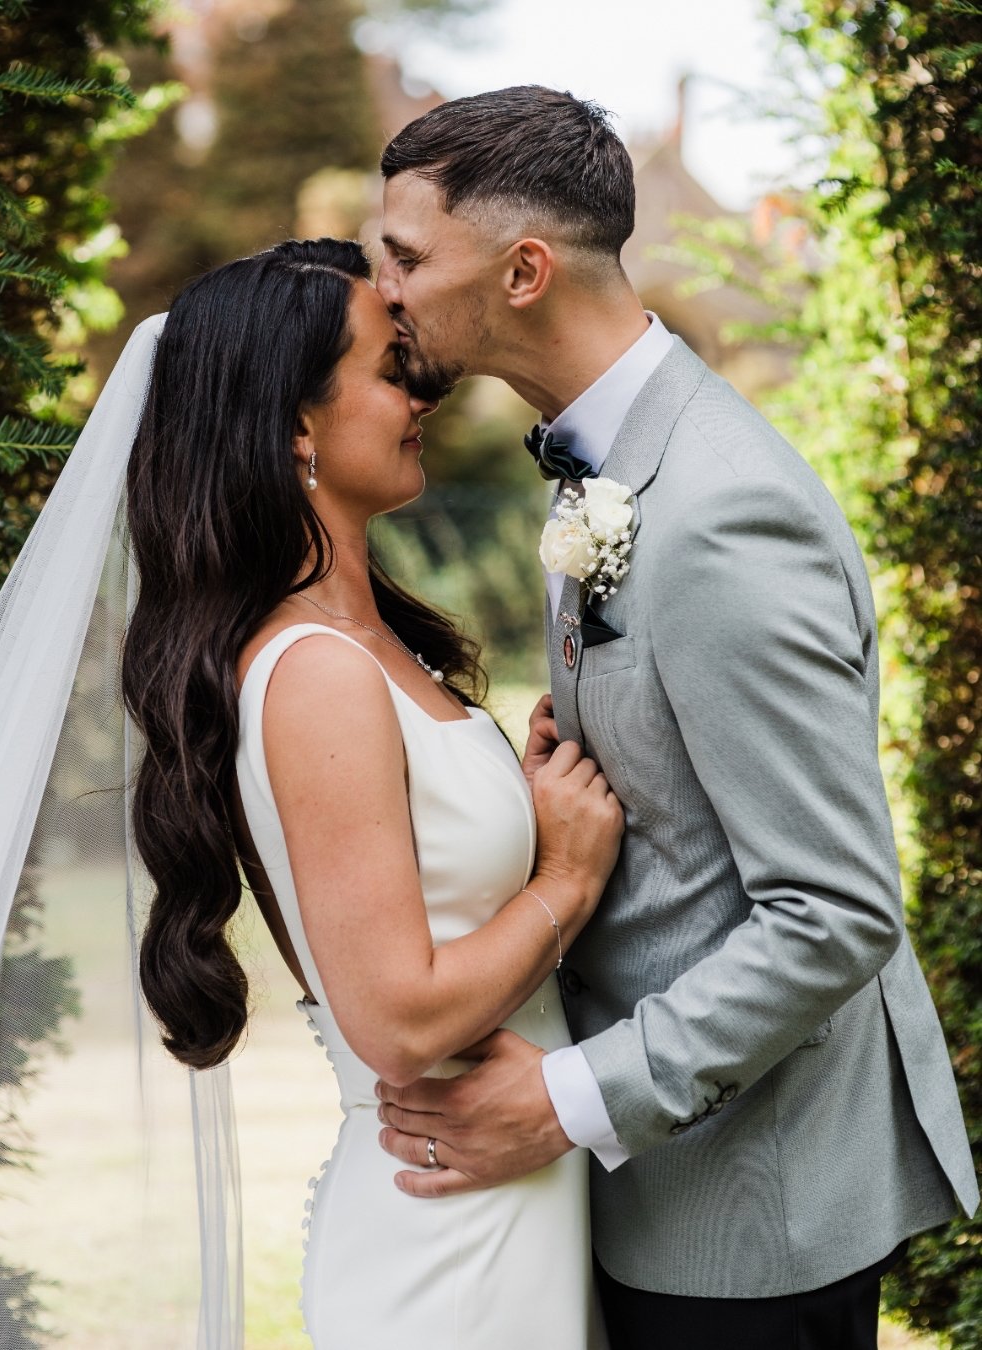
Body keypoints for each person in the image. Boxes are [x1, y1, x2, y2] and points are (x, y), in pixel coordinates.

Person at [371, 86, 978, 1350]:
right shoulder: (602, 465)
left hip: (743, 1220)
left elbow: (836, 909)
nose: (386, 292)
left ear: (524, 271)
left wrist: (568, 1100)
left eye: (408, 258)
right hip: (650, 1199)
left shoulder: (720, 510)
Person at [120, 237, 624, 1347]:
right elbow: (397, 1021)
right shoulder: (316, 672)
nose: (422, 396)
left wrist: (514, 793)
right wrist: (568, 878)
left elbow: (415, 879)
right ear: (295, 427)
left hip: (506, 1205)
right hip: (447, 1246)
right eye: (391, 370)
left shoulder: (368, 645)